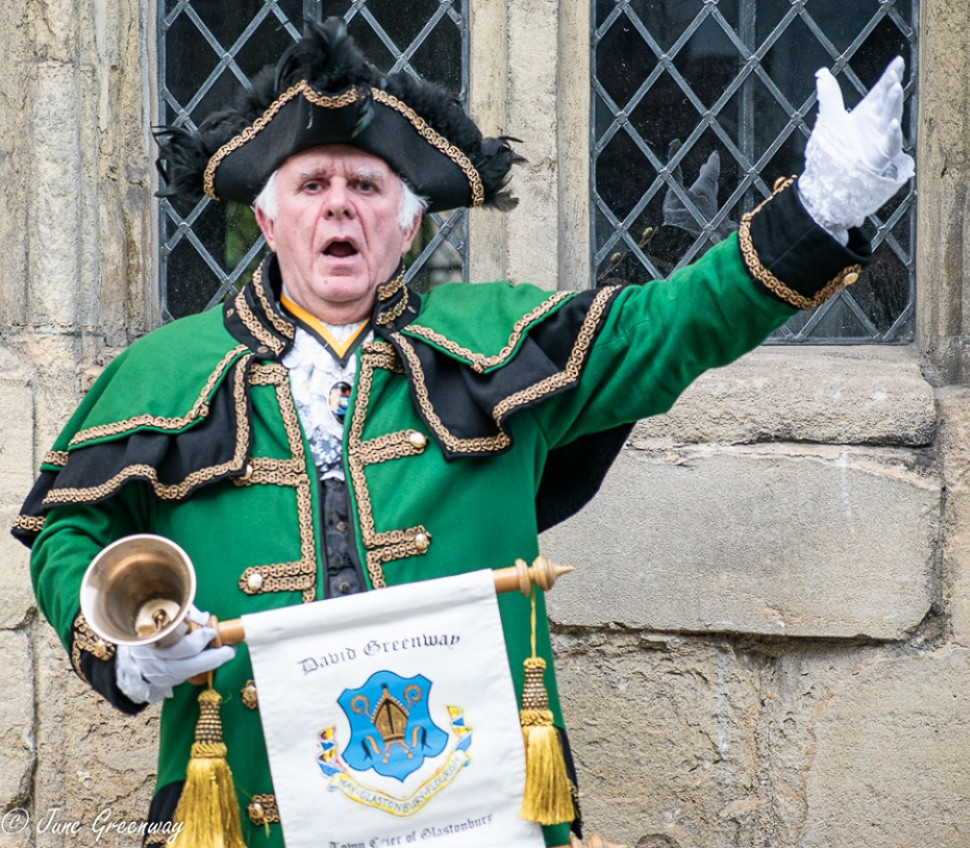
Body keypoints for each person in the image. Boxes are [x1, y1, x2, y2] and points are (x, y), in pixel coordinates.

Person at [13, 17, 913, 848]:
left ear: (408, 227)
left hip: (468, 806)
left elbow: (675, 323)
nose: (339, 206)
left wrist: (820, 212)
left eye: (367, 187)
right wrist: (129, 647)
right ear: (267, 217)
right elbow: (67, 535)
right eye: (313, 185)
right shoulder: (162, 370)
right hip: (248, 795)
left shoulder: (498, 339)